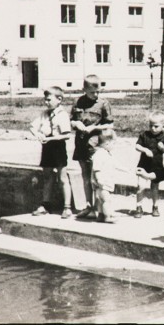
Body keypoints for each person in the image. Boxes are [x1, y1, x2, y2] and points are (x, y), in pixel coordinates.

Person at [70, 75, 114, 219]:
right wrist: (77, 124)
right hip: (81, 143)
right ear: (84, 89)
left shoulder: (103, 103)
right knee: (85, 176)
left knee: (96, 177)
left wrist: (93, 128)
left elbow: (110, 124)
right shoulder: (77, 101)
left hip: (95, 143)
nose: (95, 95)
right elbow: (71, 121)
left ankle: (99, 208)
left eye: (97, 92)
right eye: (91, 92)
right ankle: (88, 206)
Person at [30, 86, 73, 219]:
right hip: (47, 147)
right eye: (45, 100)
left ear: (59, 99)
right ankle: (45, 205)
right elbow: (32, 126)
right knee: (47, 177)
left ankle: (67, 207)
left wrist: (50, 138)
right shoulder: (44, 114)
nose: (46, 102)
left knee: (62, 178)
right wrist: (38, 134)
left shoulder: (62, 115)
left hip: (58, 147)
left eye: (49, 100)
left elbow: (66, 135)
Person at [132, 111, 164, 218]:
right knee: (141, 186)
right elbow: (137, 146)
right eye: (150, 126)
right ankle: (139, 206)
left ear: (163, 127)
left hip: (156, 167)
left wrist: (163, 149)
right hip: (143, 165)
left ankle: (155, 207)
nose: (153, 128)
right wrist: (145, 150)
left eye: (156, 126)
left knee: (155, 188)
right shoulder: (144, 135)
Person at [91, 129, 119, 223]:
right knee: (107, 200)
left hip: (104, 182)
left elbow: (115, 164)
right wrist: (99, 179)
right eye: (113, 144)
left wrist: (125, 169)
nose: (115, 146)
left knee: (100, 200)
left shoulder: (106, 153)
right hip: (103, 183)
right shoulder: (100, 154)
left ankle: (100, 215)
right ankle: (107, 216)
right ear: (107, 143)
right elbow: (96, 168)